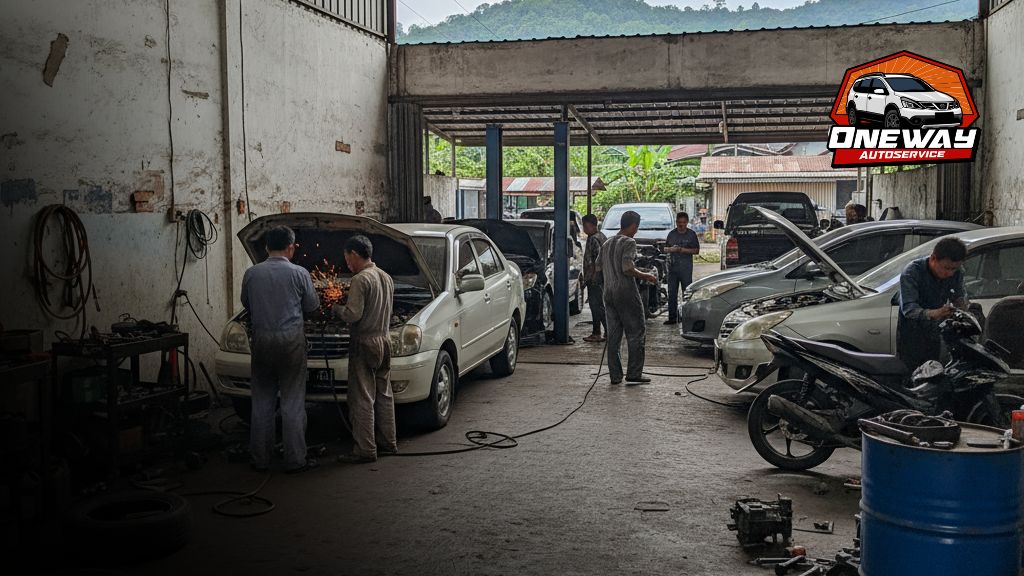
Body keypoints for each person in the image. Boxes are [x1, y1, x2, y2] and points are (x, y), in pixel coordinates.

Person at [241, 225, 320, 474]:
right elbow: (312, 306)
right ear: (291, 247)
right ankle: (295, 460)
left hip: (262, 341)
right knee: (292, 403)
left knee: (262, 401)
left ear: (266, 247)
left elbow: (246, 303)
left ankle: (260, 459)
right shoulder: (299, 273)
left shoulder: (252, 274)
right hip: (290, 343)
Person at [332, 235, 398, 464]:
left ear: (354, 254)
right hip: (384, 340)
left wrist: (336, 309)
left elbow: (353, 314)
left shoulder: (360, 279)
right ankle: (388, 443)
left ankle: (365, 449)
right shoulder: (386, 277)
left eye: (347, 258)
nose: (347, 263)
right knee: (384, 394)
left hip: (365, 342)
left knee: (362, 397)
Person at [599, 210, 658, 385]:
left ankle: (615, 375)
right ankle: (634, 373)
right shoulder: (629, 242)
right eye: (636, 227)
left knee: (613, 336)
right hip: (625, 292)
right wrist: (647, 276)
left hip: (608, 292)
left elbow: (597, 268)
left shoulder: (607, 243)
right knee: (636, 332)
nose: (636, 231)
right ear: (633, 226)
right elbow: (627, 268)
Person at [897, 237, 968, 371]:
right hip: (912, 334)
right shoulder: (912, 272)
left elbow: (959, 296)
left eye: (954, 269)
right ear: (933, 258)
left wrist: (960, 308)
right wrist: (936, 313)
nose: (950, 273)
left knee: (934, 371)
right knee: (913, 373)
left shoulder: (957, 273)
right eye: (946, 268)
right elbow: (909, 309)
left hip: (935, 333)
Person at [663, 212, 701, 326]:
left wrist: (682, 250)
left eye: (684, 222)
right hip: (672, 268)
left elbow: (696, 250)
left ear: (687, 222)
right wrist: (671, 249)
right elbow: (665, 248)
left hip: (686, 268)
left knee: (687, 293)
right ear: (676, 222)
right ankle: (672, 317)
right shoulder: (671, 234)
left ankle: (687, 317)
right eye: (679, 222)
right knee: (672, 293)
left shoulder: (691, 234)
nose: (681, 225)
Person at [581, 214, 607, 343]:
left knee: (596, 306)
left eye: (585, 226)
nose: (584, 229)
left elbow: (594, 263)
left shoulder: (593, 239)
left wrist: (588, 279)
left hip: (595, 278)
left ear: (591, 225)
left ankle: (600, 332)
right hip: (602, 277)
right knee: (599, 305)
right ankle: (603, 331)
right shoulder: (602, 236)